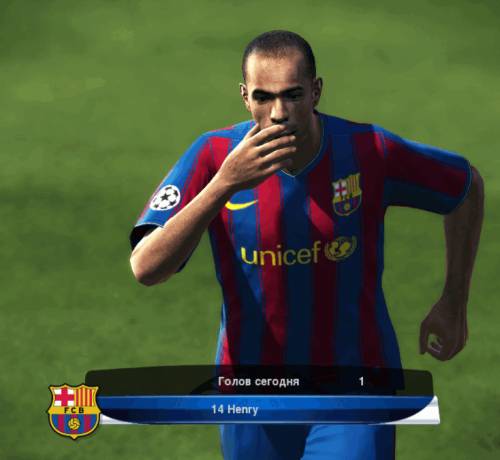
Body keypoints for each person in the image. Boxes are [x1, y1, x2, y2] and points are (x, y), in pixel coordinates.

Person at [129, 31, 484, 460]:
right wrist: (223, 185)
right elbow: (146, 267)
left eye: (292, 95)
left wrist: (454, 301)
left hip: (356, 387)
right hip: (252, 393)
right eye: (263, 97)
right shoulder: (214, 155)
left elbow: (465, 186)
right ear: (244, 97)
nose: (279, 113)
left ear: (316, 91)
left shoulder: (369, 151)